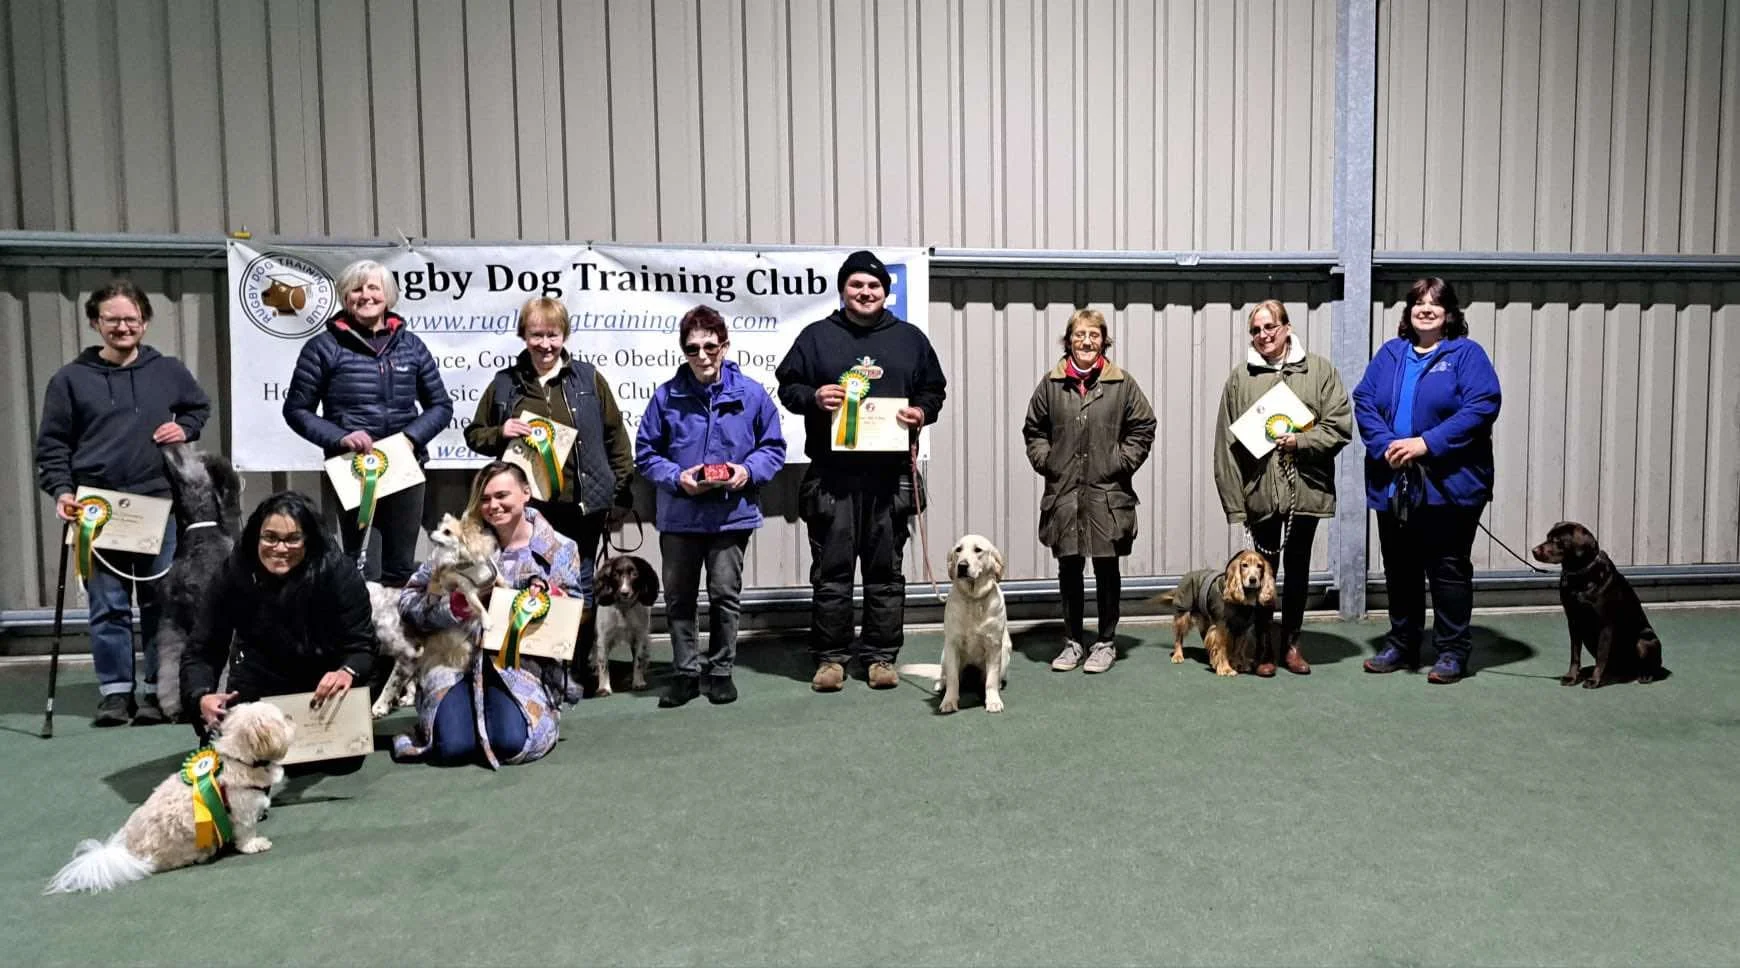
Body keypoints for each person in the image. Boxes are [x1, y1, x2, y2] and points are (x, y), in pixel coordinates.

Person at [34, 279, 211, 727]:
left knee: (159, 602)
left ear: (145, 322)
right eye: (112, 319)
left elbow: (197, 408)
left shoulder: (168, 370)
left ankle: (156, 691)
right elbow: (52, 445)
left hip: (157, 504)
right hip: (98, 509)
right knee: (107, 604)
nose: (122, 326)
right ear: (95, 323)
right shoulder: (69, 380)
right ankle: (115, 694)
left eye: (131, 318)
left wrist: (185, 429)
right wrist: (63, 491)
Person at [775, 250, 948, 692]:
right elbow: (788, 387)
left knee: (885, 573)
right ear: (843, 290)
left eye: (873, 286)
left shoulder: (910, 340)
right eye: (856, 284)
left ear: (886, 293)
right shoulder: (816, 337)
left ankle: (880, 657)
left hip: (890, 478)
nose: (865, 292)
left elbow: (934, 390)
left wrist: (921, 413)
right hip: (832, 477)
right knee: (831, 572)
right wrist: (814, 396)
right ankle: (830, 659)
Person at [465, 296, 634, 688]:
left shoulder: (589, 380)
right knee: (530, 587)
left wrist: (621, 491)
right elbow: (474, 435)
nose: (545, 344)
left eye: (553, 335)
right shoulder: (505, 384)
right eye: (536, 335)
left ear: (564, 336)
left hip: (583, 505)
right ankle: (532, 666)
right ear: (524, 336)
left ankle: (579, 666)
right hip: (530, 508)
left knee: (582, 585)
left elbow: (616, 436)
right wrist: (499, 432)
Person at [635, 305, 787, 708]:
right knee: (680, 599)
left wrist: (747, 471)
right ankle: (685, 673)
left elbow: (773, 448)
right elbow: (646, 453)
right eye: (692, 349)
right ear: (683, 351)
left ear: (725, 346)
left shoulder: (753, 394)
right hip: (680, 516)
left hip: (731, 516)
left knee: (724, 596)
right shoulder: (666, 397)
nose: (701, 356)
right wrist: (675, 477)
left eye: (709, 347)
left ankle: (720, 672)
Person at [1352, 278, 1501, 684]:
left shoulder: (1467, 356)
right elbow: (1364, 399)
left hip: (1449, 487)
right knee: (1400, 568)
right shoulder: (1390, 354)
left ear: (1449, 313)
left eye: (1435, 303)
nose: (1426, 308)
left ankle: (1452, 650)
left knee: (1448, 569)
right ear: (1409, 311)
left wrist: (1425, 443)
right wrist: (1386, 443)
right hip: (1393, 482)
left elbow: (1482, 405)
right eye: (1419, 302)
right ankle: (1402, 643)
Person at [394, 462, 584, 767]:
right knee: (452, 750)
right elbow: (408, 603)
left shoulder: (560, 548)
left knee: (510, 745)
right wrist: (455, 607)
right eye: (485, 499)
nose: (493, 505)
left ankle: (539, 710)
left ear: (526, 493)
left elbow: (573, 612)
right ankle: (441, 719)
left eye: (502, 495)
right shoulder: (454, 539)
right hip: (452, 658)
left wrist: (549, 597)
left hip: (519, 663)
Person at [282, 259, 452, 587]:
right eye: (356, 289)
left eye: (373, 287)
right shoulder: (323, 348)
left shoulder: (412, 346)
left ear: (387, 295)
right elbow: (297, 411)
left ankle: (400, 637)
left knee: (402, 567)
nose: (365, 295)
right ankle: (364, 637)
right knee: (364, 566)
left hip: (405, 467)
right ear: (345, 298)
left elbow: (441, 406)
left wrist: (411, 437)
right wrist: (341, 437)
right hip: (354, 469)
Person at [1212, 300, 1353, 676]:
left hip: (1305, 490)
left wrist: (1300, 442)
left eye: (1269, 327)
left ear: (1287, 327)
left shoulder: (1320, 371)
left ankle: (1291, 642)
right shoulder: (1241, 378)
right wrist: (1235, 504)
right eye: (1256, 331)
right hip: (1260, 493)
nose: (1263, 336)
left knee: (1299, 568)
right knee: (1260, 574)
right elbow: (1225, 447)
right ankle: (1263, 649)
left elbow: (1339, 426)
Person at [1022, 309, 1156, 674]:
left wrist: (1120, 462)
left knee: (1106, 568)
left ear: (1104, 340)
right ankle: (1072, 642)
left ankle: (1106, 641)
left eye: (1094, 335)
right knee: (1069, 567)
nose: (1086, 341)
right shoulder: (1051, 385)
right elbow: (1033, 429)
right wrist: (1048, 461)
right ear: (1068, 341)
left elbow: (1143, 425)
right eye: (1079, 335)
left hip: (1107, 494)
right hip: (1064, 493)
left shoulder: (1121, 384)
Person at [180, 491, 377, 736]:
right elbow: (203, 648)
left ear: (309, 540)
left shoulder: (340, 573)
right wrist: (201, 696)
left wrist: (347, 672)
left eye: (293, 539)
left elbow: (362, 646)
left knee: (336, 765)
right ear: (256, 537)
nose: (280, 549)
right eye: (270, 538)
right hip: (259, 680)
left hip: (323, 684)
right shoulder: (233, 573)